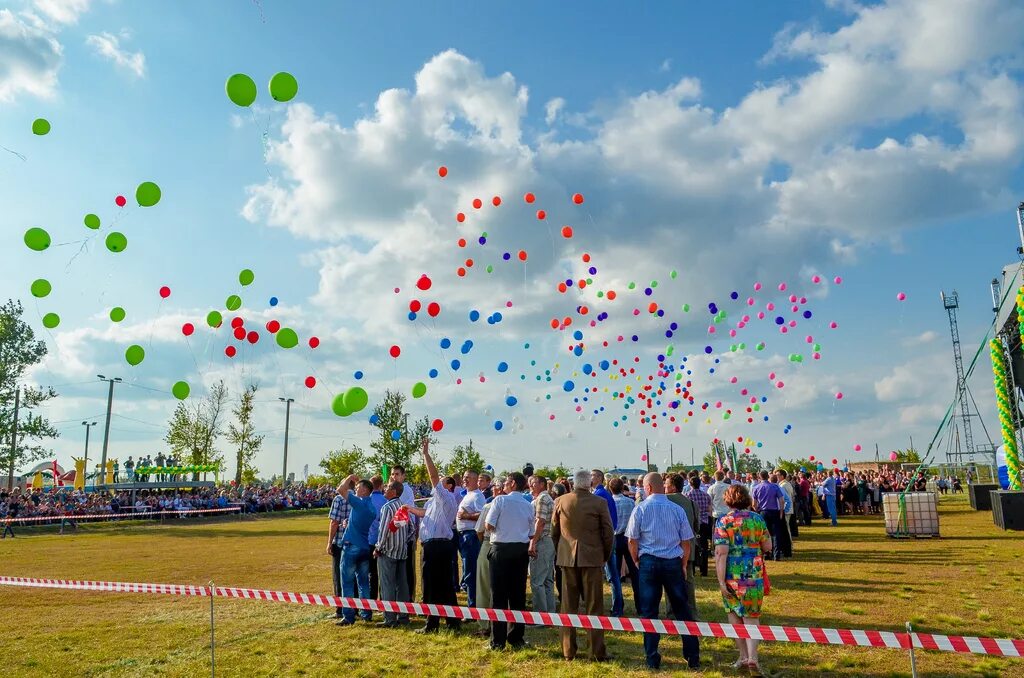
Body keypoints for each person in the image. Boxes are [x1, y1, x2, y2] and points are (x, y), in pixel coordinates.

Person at [626, 472, 699, 670]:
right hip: (672, 562)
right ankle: (692, 656)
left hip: (649, 562)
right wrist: (683, 564)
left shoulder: (640, 509)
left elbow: (632, 540)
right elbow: (686, 541)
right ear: (661, 486)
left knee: (649, 612)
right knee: (683, 609)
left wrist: (636, 559)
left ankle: (651, 657)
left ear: (648, 488)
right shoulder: (676, 509)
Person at [551, 469, 614, 661]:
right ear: (589, 484)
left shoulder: (560, 501)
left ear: (574, 483)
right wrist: (604, 555)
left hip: (567, 558)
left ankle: (568, 650)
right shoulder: (600, 502)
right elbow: (608, 532)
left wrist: (560, 551)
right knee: (594, 606)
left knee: (568, 605)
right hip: (592, 558)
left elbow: (554, 531)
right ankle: (596, 651)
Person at [714, 483, 772, 676]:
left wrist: (721, 582)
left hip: (731, 577)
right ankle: (753, 657)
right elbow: (768, 546)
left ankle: (743, 655)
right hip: (753, 576)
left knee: (734, 617)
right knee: (752, 618)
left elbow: (721, 553)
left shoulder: (723, 522)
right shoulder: (758, 519)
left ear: (728, 500)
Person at [406, 439, 461, 634]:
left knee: (435, 585)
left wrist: (425, 454)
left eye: (442, 481)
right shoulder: (433, 502)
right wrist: (409, 509)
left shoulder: (445, 497)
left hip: (438, 546)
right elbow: (424, 514)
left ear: (449, 486)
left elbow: (433, 475)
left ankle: (433, 624)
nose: (437, 483)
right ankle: (450, 621)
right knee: (440, 584)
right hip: (434, 545)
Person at [485, 472, 535, 651]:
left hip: (501, 548)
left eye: (506, 482)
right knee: (517, 595)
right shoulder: (529, 505)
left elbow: (489, 525)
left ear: (513, 484)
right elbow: (531, 532)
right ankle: (516, 637)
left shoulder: (500, 501)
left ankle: (497, 641)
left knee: (498, 595)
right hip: (520, 551)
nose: (504, 484)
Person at [338, 475, 378, 626]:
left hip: (351, 546)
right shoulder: (372, 508)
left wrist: (349, 477)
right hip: (364, 546)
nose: (355, 489)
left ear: (365, 490)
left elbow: (341, 489)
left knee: (347, 583)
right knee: (363, 583)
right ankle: (366, 613)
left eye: (358, 487)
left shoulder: (359, 503)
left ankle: (348, 616)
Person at [375, 481, 413, 627]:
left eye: (388, 487)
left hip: (388, 551)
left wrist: (378, 547)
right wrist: (403, 542)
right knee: (402, 586)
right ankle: (403, 617)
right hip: (401, 552)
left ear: (394, 491)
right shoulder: (403, 507)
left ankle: (389, 619)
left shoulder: (388, 507)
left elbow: (384, 531)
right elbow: (411, 529)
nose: (384, 489)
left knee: (387, 586)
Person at [474, 476, 504, 636]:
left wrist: (485, 543)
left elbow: (479, 530)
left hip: (488, 543)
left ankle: (484, 623)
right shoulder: (518, 506)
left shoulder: (488, 506)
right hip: (506, 547)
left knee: (484, 586)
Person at [527, 474, 556, 614]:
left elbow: (540, 521)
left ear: (542, 484)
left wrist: (533, 542)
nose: (530, 486)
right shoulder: (546, 497)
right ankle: (549, 613)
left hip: (542, 540)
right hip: (548, 541)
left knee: (537, 581)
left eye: (533, 483)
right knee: (547, 581)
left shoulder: (542, 498)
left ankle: (540, 616)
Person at [591, 469, 621, 603]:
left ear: (598, 477)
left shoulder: (599, 494)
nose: (589, 478)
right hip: (609, 535)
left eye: (591, 475)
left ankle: (616, 605)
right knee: (613, 574)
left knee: (609, 574)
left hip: (604, 538)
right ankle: (617, 604)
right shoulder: (603, 493)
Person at [610, 477, 639, 615]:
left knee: (615, 575)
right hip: (627, 537)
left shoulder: (609, 503)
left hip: (615, 537)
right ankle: (640, 606)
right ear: (623, 488)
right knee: (634, 573)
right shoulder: (630, 503)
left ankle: (617, 607)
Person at [456, 469, 484, 607]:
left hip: (471, 536)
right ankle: (472, 603)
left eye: (468, 477)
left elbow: (483, 514)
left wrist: (466, 516)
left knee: (470, 572)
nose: (465, 480)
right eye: (464, 477)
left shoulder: (477, 496)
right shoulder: (468, 495)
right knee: (467, 571)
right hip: (463, 535)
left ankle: (473, 607)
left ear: (475, 480)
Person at [390, 464, 418, 601]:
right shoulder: (396, 489)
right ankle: (402, 598)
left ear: (403, 475)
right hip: (399, 534)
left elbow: (401, 512)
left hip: (406, 533)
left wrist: (392, 529)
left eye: (397, 474)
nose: (394, 476)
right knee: (400, 569)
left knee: (407, 569)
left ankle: (409, 599)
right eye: (392, 474)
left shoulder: (405, 490)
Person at [326, 481, 351, 619]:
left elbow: (334, 522)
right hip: (355, 542)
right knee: (353, 577)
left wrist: (329, 542)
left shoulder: (339, 498)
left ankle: (341, 609)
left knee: (339, 577)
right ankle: (356, 608)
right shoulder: (360, 498)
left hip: (341, 542)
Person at [366, 476, 388, 599]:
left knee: (371, 573)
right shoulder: (385, 501)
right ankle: (383, 598)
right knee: (383, 573)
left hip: (368, 540)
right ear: (381, 486)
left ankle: (371, 599)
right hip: (382, 541)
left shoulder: (366, 500)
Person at [688, 475, 712, 576]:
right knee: (704, 547)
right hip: (704, 523)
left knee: (692, 547)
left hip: (693, 523)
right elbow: (709, 510)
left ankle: (692, 569)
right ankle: (704, 570)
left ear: (690, 484)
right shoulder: (706, 495)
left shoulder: (687, 496)